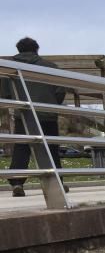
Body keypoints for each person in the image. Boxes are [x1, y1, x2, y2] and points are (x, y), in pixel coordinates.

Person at [1, 37, 67, 197]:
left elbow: (5, 93)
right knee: (51, 148)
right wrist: (51, 103)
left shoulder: (9, 68)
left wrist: (17, 104)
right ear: (37, 49)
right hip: (47, 114)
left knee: (22, 149)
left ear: (19, 50)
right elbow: (60, 90)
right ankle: (57, 182)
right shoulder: (50, 67)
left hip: (23, 115)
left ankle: (17, 183)